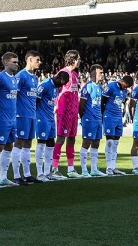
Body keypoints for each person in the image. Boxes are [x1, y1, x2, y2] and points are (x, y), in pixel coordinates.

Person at [0, 52, 21, 187]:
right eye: (14, 62)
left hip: (12, 119)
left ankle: (3, 177)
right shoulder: (0, 78)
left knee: (9, 147)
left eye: (17, 62)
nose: (16, 64)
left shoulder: (14, 79)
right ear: (6, 63)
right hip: (1, 119)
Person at [50, 50, 82, 179]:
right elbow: (56, 91)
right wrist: (57, 109)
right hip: (64, 111)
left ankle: (71, 168)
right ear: (73, 59)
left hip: (73, 112)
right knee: (61, 138)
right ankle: (54, 168)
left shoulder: (75, 74)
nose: (79, 61)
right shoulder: (63, 73)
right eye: (78, 58)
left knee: (72, 139)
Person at [12, 50, 42, 185]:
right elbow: (14, 95)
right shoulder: (21, 76)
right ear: (29, 59)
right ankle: (16, 175)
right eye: (37, 60)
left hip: (31, 115)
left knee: (28, 144)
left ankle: (28, 174)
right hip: (21, 114)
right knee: (18, 143)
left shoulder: (34, 78)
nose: (39, 62)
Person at [35, 71, 69, 182]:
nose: (61, 86)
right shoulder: (44, 85)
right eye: (61, 82)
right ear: (57, 77)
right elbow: (36, 100)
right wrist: (37, 116)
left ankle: (47, 172)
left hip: (50, 118)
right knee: (41, 143)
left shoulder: (56, 87)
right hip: (42, 117)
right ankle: (39, 173)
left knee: (51, 144)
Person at [101, 73, 133, 176]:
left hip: (118, 117)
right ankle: (108, 168)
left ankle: (113, 167)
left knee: (116, 143)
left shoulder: (124, 91)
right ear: (122, 81)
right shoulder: (110, 86)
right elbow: (103, 101)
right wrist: (102, 116)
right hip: (109, 116)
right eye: (125, 86)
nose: (125, 88)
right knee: (109, 142)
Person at [78, 64, 106, 177]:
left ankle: (94, 169)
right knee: (86, 143)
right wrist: (84, 117)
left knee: (96, 143)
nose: (102, 75)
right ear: (94, 73)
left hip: (98, 119)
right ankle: (84, 170)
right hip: (89, 119)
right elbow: (81, 106)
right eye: (101, 73)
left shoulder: (99, 87)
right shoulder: (87, 87)